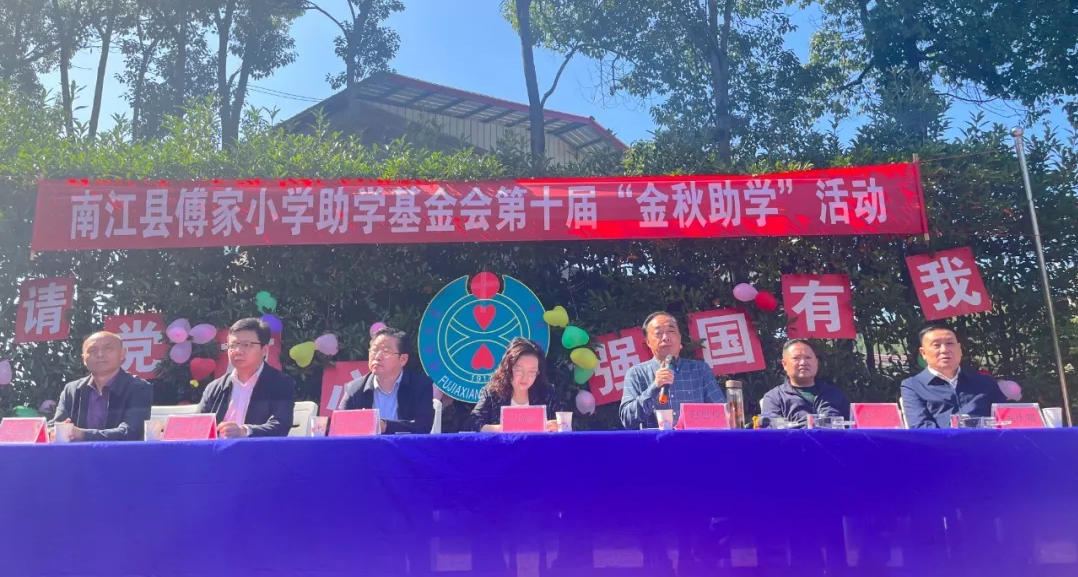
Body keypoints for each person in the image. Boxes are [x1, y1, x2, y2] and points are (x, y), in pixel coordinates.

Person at [620, 312, 726, 429]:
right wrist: (654, 387)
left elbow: (723, 413)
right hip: (656, 440)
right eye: (658, 333)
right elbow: (627, 419)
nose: (666, 337)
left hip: (694, 440)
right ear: (648, 342)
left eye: (671, 331)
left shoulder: (700, 370)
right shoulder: (636, 374)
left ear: (680, 338)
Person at [197, 318, 294, 438]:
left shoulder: (280, 383)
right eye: (232, 345)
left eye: (246, 345)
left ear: (264, 350)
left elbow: (280, 426)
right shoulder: (214, 387)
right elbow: (198, 426)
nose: (238, 351)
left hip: (255, 449)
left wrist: (244, 431)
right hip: (217, 448)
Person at [50, 331, 153, 441]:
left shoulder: (138, 388)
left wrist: (82, 434)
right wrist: (50, 431)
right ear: (84, 358)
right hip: (78, 452)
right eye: (92, 350)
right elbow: (56, 425)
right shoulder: (72, 390)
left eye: (108, 349)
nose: (99, 354)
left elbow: (130, 432)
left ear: (122, 354)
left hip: (121, 452)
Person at [901, 325, 1006, 428]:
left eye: (950, 343)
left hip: (985, 438)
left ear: (959, 349)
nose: (944, 350)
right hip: (940, 440)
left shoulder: (985, 382)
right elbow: (922, 427)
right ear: (923, 353)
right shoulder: (913, 386)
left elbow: (1005, 419)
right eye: (936, 345)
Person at [338, 326, 435, 434]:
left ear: (403, 359)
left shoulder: (420, 385)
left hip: (403, 444)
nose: (377, 357)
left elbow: (423, 427)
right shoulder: (355, 388)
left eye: (386, 351)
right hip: (367, 445)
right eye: (374, 350)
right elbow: (339, 426)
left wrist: (385, 426)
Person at [464, 338, 559, 432]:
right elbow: (472, 424)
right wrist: (507, 427)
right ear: (508, 368)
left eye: (531, 372)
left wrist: (557, 425)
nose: (525, 377)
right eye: (519, 370)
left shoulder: (547, 393)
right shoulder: (492, 393)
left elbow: (563, 423)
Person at [760, 339, 850, 424]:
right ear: (785, 364)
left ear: (816, 362)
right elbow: (771, 431)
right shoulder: (774, 398)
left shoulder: (834, 394)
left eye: (808, 357)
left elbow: (851, 427)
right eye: (796, 358)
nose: (803, 363)